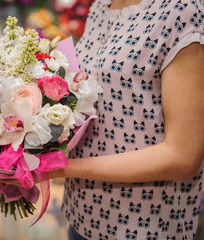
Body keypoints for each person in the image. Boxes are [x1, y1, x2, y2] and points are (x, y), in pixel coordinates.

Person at [52, 0, 204, 239]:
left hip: (143, 226)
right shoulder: (101, 6)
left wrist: (58, 167)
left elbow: (183, 157)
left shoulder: (181, 10)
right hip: (82, 216)